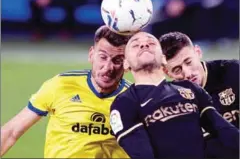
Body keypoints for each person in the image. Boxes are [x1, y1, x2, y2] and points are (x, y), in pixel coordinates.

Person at [1, 25, 132, 158]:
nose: (108, 67)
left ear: (127, 64)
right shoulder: (61, 85)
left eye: (117, 60)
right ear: (91, 55)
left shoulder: (135, 99)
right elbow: (11, 131)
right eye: (103, 57)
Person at [109, 32, 239, 159]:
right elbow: (142, 154)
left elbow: (223, 130)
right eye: (136, 45)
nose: (144, 45)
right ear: (125, 64)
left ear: (163, 59)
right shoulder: (124, 103)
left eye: (151, 42)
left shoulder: (190, 88)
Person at [159, 31, 239, 157]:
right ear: (166, 72)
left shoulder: (234, 72)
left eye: (188, 62)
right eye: (177, 69)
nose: (187, 73)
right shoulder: (168, 102)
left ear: (198, 52)